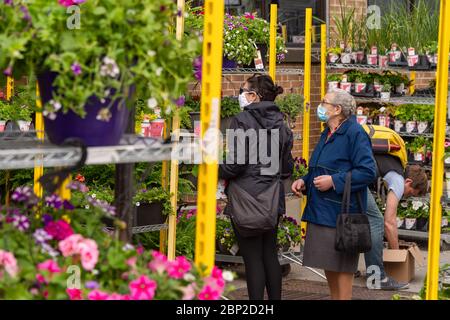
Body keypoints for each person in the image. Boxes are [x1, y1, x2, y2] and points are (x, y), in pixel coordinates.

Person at [291, 89, 376, 300]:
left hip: (341, 214)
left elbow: (368, 171)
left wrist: (334, 182)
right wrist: (305, 180)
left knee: (343, 267)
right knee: (328, 264)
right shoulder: (327, 132)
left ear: (337, 109)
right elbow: (321, 167)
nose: (320, 106)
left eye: (324, 102)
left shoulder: (355, 133)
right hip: (320, 211)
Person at [219, 74, 293, 300]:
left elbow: (235, 164)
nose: (240, 96)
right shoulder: (282, 122)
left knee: (252, 259)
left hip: (247, 198)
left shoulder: (242, 120)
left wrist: (213, 169)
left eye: (243, 91)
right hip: (272, 198)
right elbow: (287, 168)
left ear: (253, 95)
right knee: (270, 254)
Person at [364, 162, 428, 290]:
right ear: (408, 182)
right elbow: (389, 223)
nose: (406, 196)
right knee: (377, 221)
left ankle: (347, 269)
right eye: (410, 193)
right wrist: (397, 254)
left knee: (361, 220)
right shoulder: (399, 180)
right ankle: (377, 278)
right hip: (350, 178)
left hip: (345, 173)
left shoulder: (395, 171)